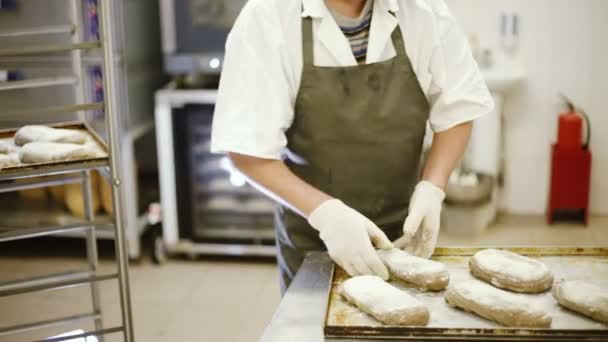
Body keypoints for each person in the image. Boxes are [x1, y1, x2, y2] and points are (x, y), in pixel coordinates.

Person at [211, 0, 494, 293]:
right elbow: (247, 149)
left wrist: (432, 187)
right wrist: (326, 214)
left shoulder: (423, 12)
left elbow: (458, 110)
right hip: (315, 242)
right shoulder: (269, 17)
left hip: (401, 239)